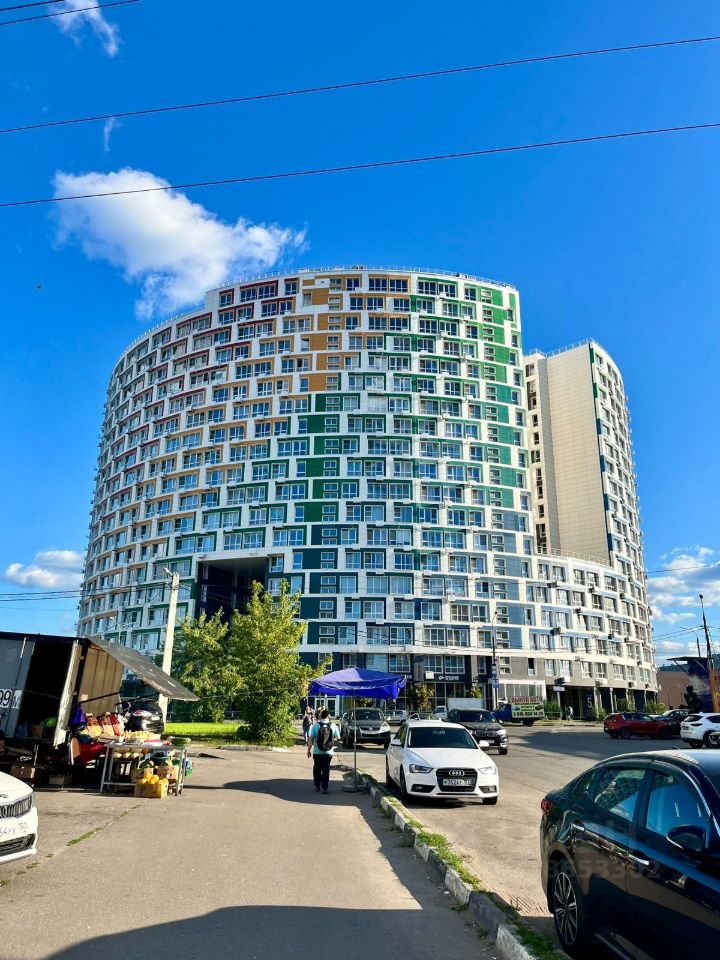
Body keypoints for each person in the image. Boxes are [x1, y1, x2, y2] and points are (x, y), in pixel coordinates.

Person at [307, 709, 339, 794]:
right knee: (326, 769)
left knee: (317, 768)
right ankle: (325, 787)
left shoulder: (315, 726)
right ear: (329, 716)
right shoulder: (333, 725)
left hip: (317, 752)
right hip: (328, 752)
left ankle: (317, 785)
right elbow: (338, 737)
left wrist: (308, 750)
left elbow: (311, 739)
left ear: (320, 716)